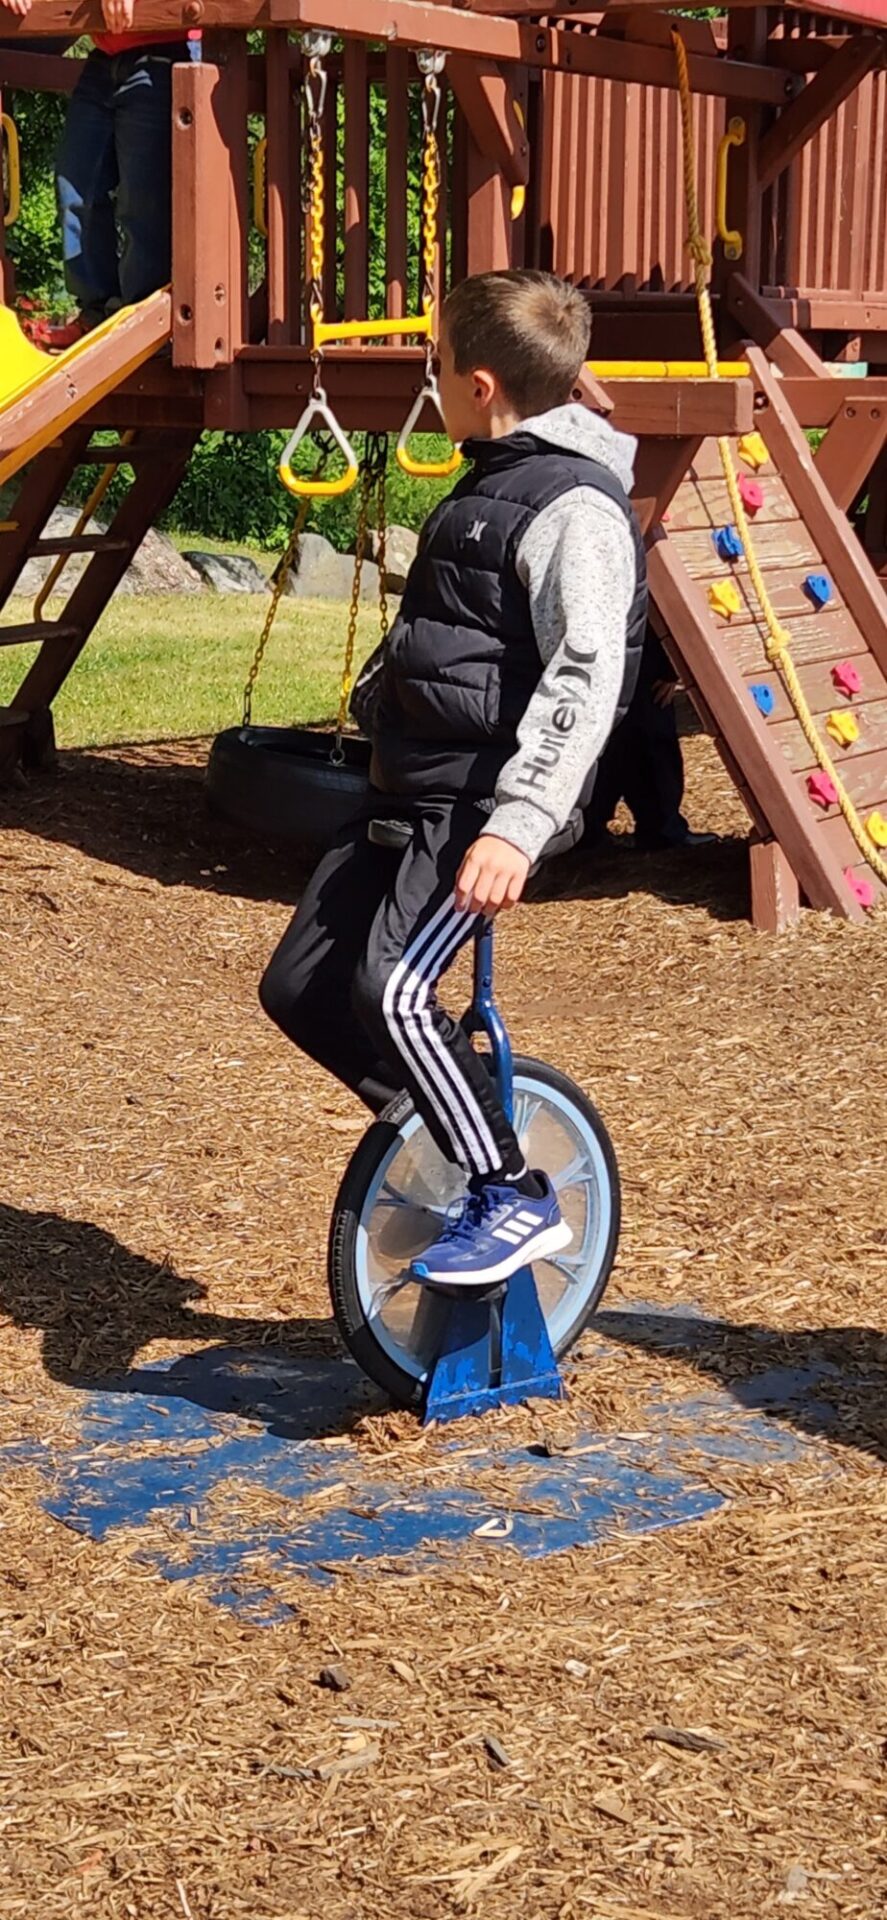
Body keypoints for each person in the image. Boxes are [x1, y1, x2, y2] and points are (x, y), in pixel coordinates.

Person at [260, 270, 647, 1288]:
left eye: (436, 366)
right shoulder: (495, 475)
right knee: (301, 987)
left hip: (484, 803)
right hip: (411, 784)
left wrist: (518, 825)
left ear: (477, 385)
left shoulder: (574, 508)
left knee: (391, 987)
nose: (429, 381)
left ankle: (514, 1194)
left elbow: (584, 670)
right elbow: (460, 628)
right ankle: (456, 1132)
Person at [1, 0, 199, 348]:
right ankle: (95, 313)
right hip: (106, 57)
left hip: (164, 50)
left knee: (143, 198)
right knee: (76, 184)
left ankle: (147, 322)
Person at [584, 621, 717, 852]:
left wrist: (670, 667)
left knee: (618, 742)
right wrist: (669, 667)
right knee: (644, 743)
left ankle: (592, 831)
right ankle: (659, 829)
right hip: (632, 650)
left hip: (629, 650)